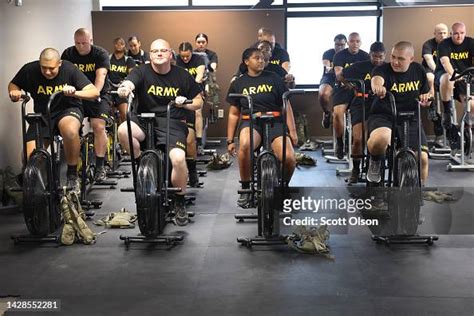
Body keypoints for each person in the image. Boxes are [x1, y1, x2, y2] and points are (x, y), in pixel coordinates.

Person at [117, 39, 203, 226]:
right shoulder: (141, 71)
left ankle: (179, 200)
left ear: (171, 54)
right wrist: (125, 88)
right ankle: (142, 166)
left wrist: (186, 103)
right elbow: (130, 83)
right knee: (123, 131)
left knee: (179, 159)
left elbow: (199, 102)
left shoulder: (182, 75)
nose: (159, 53)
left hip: (172, 121)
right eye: (155, 50)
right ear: (150, 54)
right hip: (144, 120)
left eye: (163, 50)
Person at [8, 48, 99, 191]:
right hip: (44, 115)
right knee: (29, 156)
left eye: (51, 68)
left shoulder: (69, 69)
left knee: (69, 130)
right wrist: (14, 92)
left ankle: (72, 175)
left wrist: (75, 92)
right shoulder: (30, 70)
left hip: (68, 109)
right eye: (44, 68)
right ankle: (39, 189)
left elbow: (94, 92)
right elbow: (13, 84)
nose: (47, 72)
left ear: (60, 64)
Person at [226, 48, 297, 208]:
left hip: (275, 122)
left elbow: (286, 105)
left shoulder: (274, 78)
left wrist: (292, 132)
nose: (261, 61)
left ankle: (282, 186)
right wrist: (230, 140)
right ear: (246, 61)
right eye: (256, 58)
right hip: (251, 122)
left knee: (289, 158)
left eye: (263, 59)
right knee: (244, 145)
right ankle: (245, 189)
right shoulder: (238, 83)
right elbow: (233, 114)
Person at [366, 41, 432, 185]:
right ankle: (375, 161)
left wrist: (426, 99)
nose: (395, 62)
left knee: (422, 158)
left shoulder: (418, 70)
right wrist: (378, 87)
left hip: (410, 117)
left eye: (400, 59)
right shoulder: (382, 69)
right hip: (384, 116)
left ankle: (418, 193)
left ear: (411, 59)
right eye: (393, 57)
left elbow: (426, 94)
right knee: (381, 139)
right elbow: (376, 80)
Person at [62, 27, 112, 183]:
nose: (81, 46)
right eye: (77, 43)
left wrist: (94, 93)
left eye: (84, 43)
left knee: (98, 126)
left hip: (99, 94)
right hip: (77, 95)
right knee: (71, 127)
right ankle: (73, 167)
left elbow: (101, 75)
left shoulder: (100, 54)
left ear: (91, 41)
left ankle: (99, 167)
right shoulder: (68, 54)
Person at [340, 41, 386, 183]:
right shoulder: (360, 66)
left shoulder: (388, 68)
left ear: (384, 55)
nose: (377, 60)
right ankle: (355, 169)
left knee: (377, 139)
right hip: (360, 103)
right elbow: (341, 75)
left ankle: (375, 165)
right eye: (374, 56)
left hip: (380, 104)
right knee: (358, 138)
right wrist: (349, 86)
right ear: (370, 54)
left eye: (380, 57)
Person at [332, 32, 370, 159]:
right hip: (344, 88)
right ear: (348, 43)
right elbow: (338, 73)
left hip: (360, 90)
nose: (355, 44)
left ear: (360, 42)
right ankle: (340, 142)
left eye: (358, 41)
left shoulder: (365, 56)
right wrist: (347, 83)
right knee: (338, 113)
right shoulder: (340, 55)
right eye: (352, 41)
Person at [435, 22, 474, 141]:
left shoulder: (470, 42)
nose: (459, 36)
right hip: (445, 75)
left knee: (472, 106)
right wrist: (454, 75)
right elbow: (445, 63)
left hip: (465, 75)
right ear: (451, 33)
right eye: (456, 33)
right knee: (448, 77)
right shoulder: (444, 44)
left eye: (462, 33)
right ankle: (447, 112)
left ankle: (465, 128)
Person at [176, 42, 206, 187]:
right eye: (183, 57)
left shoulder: (199, 59)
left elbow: (200, 74)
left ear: (191, 53)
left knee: (197, 111)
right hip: (176, 96)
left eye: (187, 56)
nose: (185, 59)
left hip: (193, 91)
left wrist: (191, 85)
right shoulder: (175, 60)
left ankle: (193, 170)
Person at [421, 23, 448, 146]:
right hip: (430, 71)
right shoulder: (428, 44)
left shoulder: (450, 45)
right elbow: (429, 60)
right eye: (440, 33)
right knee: (430, 77)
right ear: (435, 34)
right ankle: (432, 105)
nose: (442, 35)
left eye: (444, 33)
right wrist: (438, 72)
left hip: (447, 73)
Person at [319, 34, 347, 129]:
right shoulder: (328, 53)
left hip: (346, 79)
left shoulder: (348, 54)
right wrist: (334, 68)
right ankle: (326, 113)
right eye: (337, 44)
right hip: (330, 77)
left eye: (342, 45)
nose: (339, 47)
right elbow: (327, 67)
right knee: (323, 94)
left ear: (345, 44)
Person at [109, 37, 135, 123]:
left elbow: (132, 75)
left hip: (122, 89)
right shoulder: (108, 59)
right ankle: (112, 133)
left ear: (124, 46)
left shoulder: (129, 60)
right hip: (110, 89)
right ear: (114, 45)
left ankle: (124, 132)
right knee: (109, 115)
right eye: (117, 43)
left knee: (124, 114)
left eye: (121, 44)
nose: (119, 45)